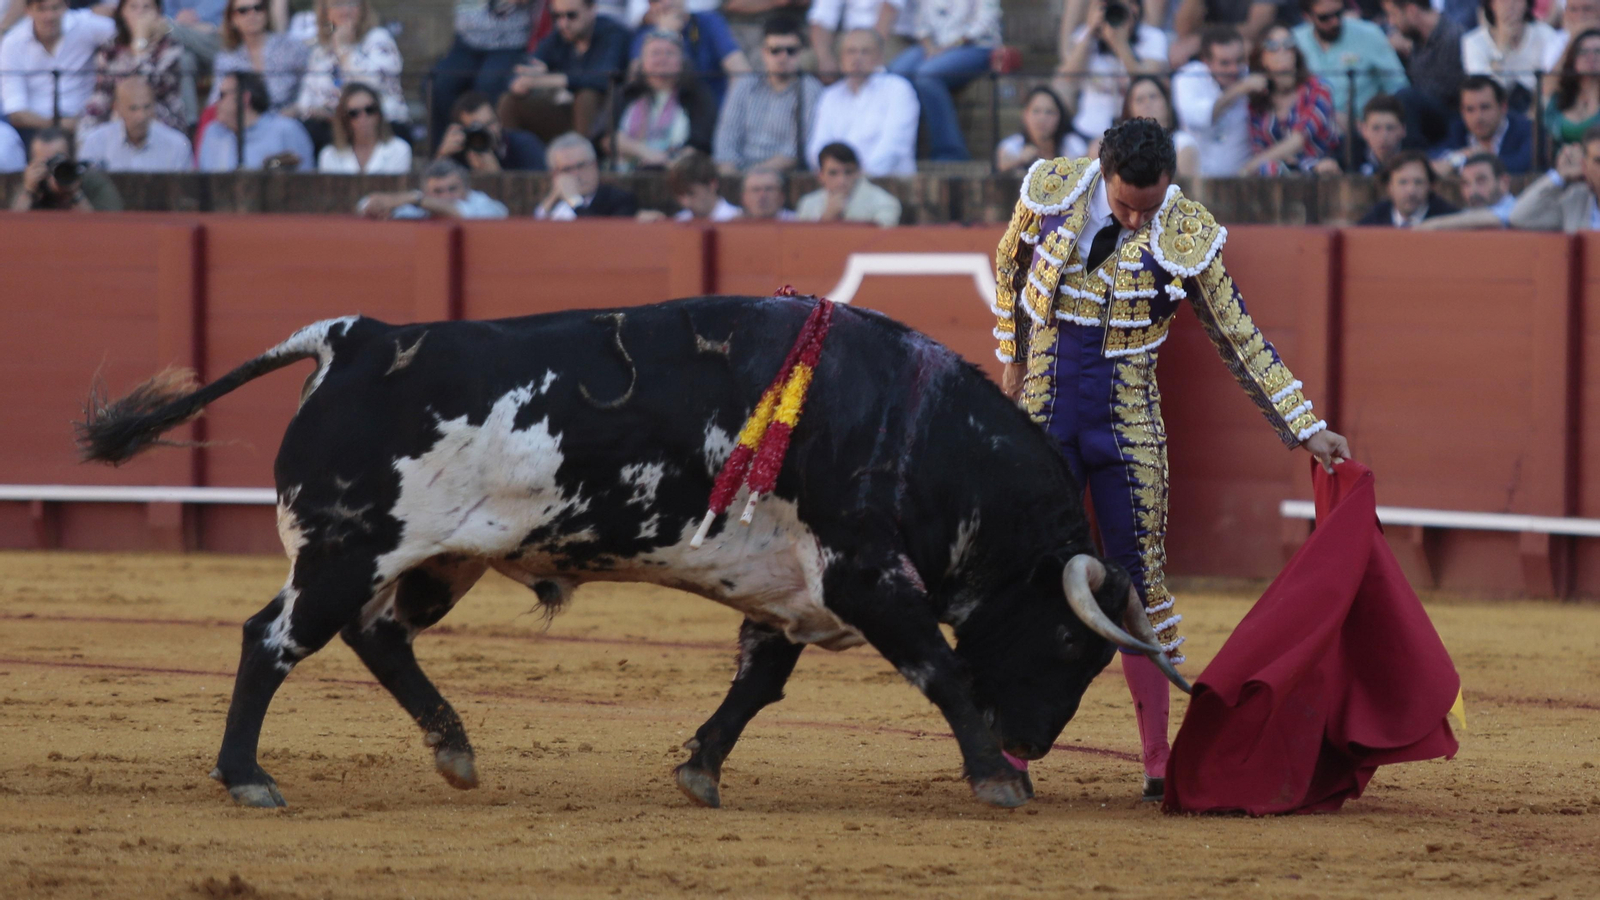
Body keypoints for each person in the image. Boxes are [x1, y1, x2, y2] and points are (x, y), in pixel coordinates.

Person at [989, 117, 1348, 801]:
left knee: (1141, 586)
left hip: (1127, 425)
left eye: (1148, 208)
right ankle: (1012, 752)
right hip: (1045, 412)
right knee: (1032, 576)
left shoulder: (1186, 230)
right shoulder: (1053, 187)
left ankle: (1158, 759)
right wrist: (1012, 352)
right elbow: (1008, 260)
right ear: (1103, 173)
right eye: (1126, 206)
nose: (1136, 220)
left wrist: (1307, 428)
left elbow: (1238, 334)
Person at [499, 0, 632, 143]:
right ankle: (514, 153)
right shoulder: (559, 36)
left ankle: (584, 155)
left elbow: (603, 78)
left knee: (587, 96)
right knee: (510, 101)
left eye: (571, 15)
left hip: (605, 118)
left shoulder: (613, 33)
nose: (563, 23)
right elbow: (524, 69)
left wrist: (548, 80)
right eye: (557, 16)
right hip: (564, 111)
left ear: (592, 9)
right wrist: (520, 82)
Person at [886, 0, 999, 161]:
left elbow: (985, 22)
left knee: (927, 75)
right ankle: (899, 150)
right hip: (934, 46)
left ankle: (950, 152)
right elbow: (921, 23)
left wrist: (950, 46)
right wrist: (930, 47)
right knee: (895, 75)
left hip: (976, 46)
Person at [712, 14, 822, 173]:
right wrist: (730, 175)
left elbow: (795, 152)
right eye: (775, 50)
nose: (783, 57)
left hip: (783, 176)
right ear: (764, 52)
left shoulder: (811, 90)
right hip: (738, 175)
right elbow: (726, 140)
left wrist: (753, 175)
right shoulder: (745, 85)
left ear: (800, 53)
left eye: (791, 51)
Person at [291, 0, 409, 147]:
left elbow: (372, 86)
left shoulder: (379, 39)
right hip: (330, 127)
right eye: (337, 4)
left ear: (363, 9)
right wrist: (317, 111)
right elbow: (305, 101)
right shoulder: (320, 52)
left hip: (380, 125)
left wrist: (344, 50)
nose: (345, 10)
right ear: (326, 12)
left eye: (352, 2)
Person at [806, 29, 919, 175]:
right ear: (840, 58)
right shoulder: (830, 95)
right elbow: (818, 146)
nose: (857, 58)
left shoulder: (898, 89)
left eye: (865, 52)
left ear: (880, 57)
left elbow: (895, 145)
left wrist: (857, 177)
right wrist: (835, 175)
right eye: (851, 52)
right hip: (836, 182)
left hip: (886, 182)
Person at [428, 0, 536, 151]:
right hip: (466, 39)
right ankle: (447, 151)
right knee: (440, 84)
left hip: (509, 42)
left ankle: (486, 148)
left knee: (487, 86)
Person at [0, 0, 118, 135]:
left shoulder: (86, 25)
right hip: (33, 127)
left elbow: (124, 32)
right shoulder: (13, 42)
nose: (49, 16)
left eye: (55, 8)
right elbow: (16, 112)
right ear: (28, 10)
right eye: (41, 9)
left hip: (86, 123)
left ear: (67, 6)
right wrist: (61, 125)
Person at [1055, 0, 1166, 141]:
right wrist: (1091, 31)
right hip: (1089, 129)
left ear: (1136, 9)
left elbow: (1145, 82)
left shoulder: (1152, 37)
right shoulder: (1086, 35)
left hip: (1135, 131)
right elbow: (1068, 77)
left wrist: (1120, 44)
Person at [610, 29, 717, 169]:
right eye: (655, 53)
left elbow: (701, 143)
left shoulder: (697, 94)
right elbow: (605, 137)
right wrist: (645, 153)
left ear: (681, 61)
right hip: (626, 171)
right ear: (642, 61)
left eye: (669, 53)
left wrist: (668, 161)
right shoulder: (626, 93)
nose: (662, 59)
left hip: (677, 171)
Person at [82, 0, 193, 133]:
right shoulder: (110, 48)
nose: (140, 13)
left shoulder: (170, 48)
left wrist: (140, 41)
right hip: (118, 114)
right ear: (122, 13)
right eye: (133, 7)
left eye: (147, 7)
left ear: (158, 13)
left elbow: (146, 86)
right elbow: (103, 93)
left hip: (161, 116)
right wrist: (87, 127)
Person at [1244, 25, 1342, 175]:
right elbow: (1258, 146)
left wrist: (1249, 167)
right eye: (1272, 46)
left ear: (1296, 53)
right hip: (1274, 176)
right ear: (1262, 58)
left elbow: (1299, 139)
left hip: (1318, 171)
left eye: (1288, 44)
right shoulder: (1257, 100)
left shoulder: (1318, 89)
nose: (1282, 51)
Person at [1292, 0, 1408, 126]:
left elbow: (1397, 86)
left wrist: (1374, 123)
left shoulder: (1369, 34)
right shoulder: (1295, 41)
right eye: (1324, 18)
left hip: (1362, 128)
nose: (1335, 22)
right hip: (1307, 127)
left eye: (1338, 13)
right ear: (1307, 17)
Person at [628, 0, 750, 104]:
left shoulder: (708, 21)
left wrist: (731, 112)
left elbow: (741, 73)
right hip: (662, 116)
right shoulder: (645, 35)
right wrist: (665, 35)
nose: (666, 2)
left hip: (712, 113)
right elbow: (633, 87)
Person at [1381, 0, 1466, 148]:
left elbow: (1445, 92)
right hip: (1427, 115)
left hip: (1453, 118)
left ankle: (1413, 155)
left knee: (1405, 97)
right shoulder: (1417, 41)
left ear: (1412, 10)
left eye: (1393, 14)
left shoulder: (1452, 36)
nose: (1391, 22)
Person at [1172, 26, 1254, 178]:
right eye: (1225, 63)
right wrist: (1238, 90)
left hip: (1242, 179)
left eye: (1239, 61)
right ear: (1206, 62)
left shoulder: (1251, 76)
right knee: (1181, 140)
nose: (1234, 69)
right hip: (1198, 179)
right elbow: (1200, 118)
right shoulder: (1188, 76)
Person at [198, 70, 315, 170]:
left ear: (244, 98)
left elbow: (305, 180)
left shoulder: (286, 130)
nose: (216, 103)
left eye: (222, 95)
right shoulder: (213, 133)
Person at [210, 0, 309, 115]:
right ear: (232, 19)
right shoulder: (226, 59)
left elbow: (310, 87)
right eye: (243, 11)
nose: (252, 14)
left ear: (266, 13)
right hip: (242, 120)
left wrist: (297, 109)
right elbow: (216, 100)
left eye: (258, 8)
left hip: (287, 117)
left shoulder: (291, 48)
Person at [78, 75, 195, 171]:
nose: (141, 116)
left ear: (154, 106)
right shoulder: (96, 143)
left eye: (146, 107)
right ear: (117, 108)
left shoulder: (177, 145)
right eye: (133, 109)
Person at [1462, 0, 1561, 111]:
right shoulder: (1474, 43)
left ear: (1527, 4)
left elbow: (1552, 85)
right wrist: (1501, 50)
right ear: (1492, 5)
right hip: (1497, 114)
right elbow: (1482, 92)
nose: (1511, 6)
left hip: (1538, 111)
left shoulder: (1545, 35)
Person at [1433, 74, 1533, 174]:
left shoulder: (1528, 130)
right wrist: (1460, 157)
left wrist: (1472, 158)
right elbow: (1433, 155)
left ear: (1503, 107)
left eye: (1485, 107)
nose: (1478, 117)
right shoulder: (1458, 129)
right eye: (1470, 109)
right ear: (1462, 112)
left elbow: (1521, 164)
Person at [10, 127, 124, 210]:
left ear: (72, 159)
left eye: (57, 161)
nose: (52, 169)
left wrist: (75, 193)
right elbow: (13, 225)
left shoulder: (91, 180)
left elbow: (107, 225)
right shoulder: (32, 183)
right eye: (45, 163)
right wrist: (29, 191)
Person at [1509, 125, 1600, 230]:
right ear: (1584, 166)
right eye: (1599, 161)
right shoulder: (1576, 200)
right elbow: (1519, 217)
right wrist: (1559, 176)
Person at [357, 159, 511, 219]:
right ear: (426, 193)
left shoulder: (482, 203)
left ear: (467, 189)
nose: (446, 196)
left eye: (453, 189)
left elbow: (464, 214)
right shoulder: (417, 203)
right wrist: (385, 204)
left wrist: (416, 199)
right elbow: (363, 206)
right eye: (438, 191)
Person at [534, 131, 641, 217]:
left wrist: (575, 201)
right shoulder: (553, 204)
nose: (576, 174)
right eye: (567, 169)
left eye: (581, 166)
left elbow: (598, 233)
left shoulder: (620, 200)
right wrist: (551, 200)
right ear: (555, 175)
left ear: (594, 165)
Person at [435, 90, 548, 172]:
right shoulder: (457, 153)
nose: (486, 132)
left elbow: (538, 190)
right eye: (476, 128)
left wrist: (495, 174)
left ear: (499, 122)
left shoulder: (524, 144)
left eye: (489, 124)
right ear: (462, 132)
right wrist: (442, 156)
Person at [795, 140, 902, 225]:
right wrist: (826, 219)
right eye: (833, 173)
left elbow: (877, 241)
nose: (841, 180)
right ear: (821, 176)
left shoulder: (885, 203)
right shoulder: (807, 204)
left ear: (858, 172)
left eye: (848, 172)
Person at [317, 81, 412, 173]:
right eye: (354, 113)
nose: (363, 118)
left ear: (379, 113)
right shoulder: (329, 156)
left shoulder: (399, 150)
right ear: (344, 119)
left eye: (370, 110)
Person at [1121, 75, 1199, 179]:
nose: (1148, 104)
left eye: (1153, 96)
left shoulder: (1183, 144)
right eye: (1140, 100)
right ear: (1129, 109)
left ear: (1166, 102)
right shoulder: (1121, 148)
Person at [1170, 0, 1288, 68]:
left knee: (1244, 48)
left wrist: (1202, 38)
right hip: (1215, 40)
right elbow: (1184, 29)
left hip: (1267, 41)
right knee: (1178, 51)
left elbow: (1256, 28)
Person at [1415, 151, 1517, 227]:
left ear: (1504, 183)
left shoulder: (1517, 210)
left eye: (1481, 181)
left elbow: (1496, 219)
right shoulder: (1465, 214)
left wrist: (1435, 225)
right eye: (1466, 183)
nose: (1472, 191)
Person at [995, 85, 1084, 173]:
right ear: (1025, 115)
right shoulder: (1014, 144)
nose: (1042, 118)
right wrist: (1020, 159)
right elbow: (1001, 163)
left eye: (1049, 112)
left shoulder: (1070, 143)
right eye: (1036, 111)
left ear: (1059, 116)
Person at [1356, 150, 1460, 224]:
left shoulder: (1449, 220)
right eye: (1403, 182)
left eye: (1418, 182)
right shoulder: (1375, 220)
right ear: (1389, 187)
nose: (1411, 191)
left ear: (1431, 186)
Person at [808, 0, 899, 78]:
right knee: (807, 61)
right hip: (848, 36)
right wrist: (825, 58)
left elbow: (889, 12)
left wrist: (871, 50)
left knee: (876, 64)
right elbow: (820, 18)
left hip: (889, 37)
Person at [1546, 28, 1600, 146]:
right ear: (1573, 58)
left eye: (1598, 51)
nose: (1591, 57)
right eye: (1583, 51)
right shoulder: (1558, 99)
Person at [666, 149, 743, 219]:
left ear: (712, 185)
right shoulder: (679, 220)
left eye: (691, 193)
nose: (685, 203)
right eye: (680, 194)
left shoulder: (738, 220)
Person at [1354, 92, 1406, 173]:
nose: (1383, 136)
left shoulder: (1417, 160)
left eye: (1390, 128)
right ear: (1364, 130)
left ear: (1402, 130)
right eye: (1376, 128)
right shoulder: (1349, 155)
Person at [162, 0, 226, 62]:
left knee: (167, 28)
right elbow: (167, 13)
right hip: (183, 37)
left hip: (216, 37)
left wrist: (197, 14)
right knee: (185, 59)